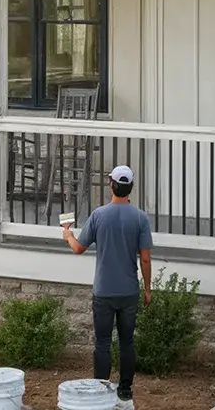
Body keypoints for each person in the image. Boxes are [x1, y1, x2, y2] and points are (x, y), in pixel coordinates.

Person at [61, 165, 154, 410]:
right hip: (129, 292)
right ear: (130, 187)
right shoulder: (140, 218)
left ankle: (100, 391)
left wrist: (68, 235)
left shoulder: (99, 215)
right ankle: (125, 391)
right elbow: (145, 259)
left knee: (102, 343)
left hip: (103, 291)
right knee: (127, 342)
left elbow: (78, 248)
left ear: (111, 184)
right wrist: (147, 290)